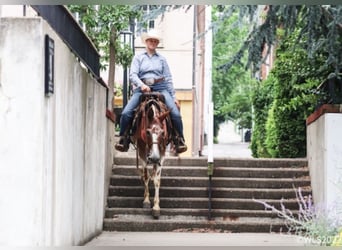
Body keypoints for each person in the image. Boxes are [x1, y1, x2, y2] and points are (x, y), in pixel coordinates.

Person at [115, 29, 187, 154]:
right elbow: (133, 75)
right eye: (150, 40)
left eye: (155, 41)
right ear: (146, 42)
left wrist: (173, 96)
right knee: (126, 113)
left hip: (161, 88)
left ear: (157, 43)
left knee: (175, 113)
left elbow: (168, 78)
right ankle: (123, 139)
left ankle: (179, 140)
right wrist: (141, 85)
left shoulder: (162, 60)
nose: (153, 42)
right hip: (142, 90)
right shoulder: (138, 58)